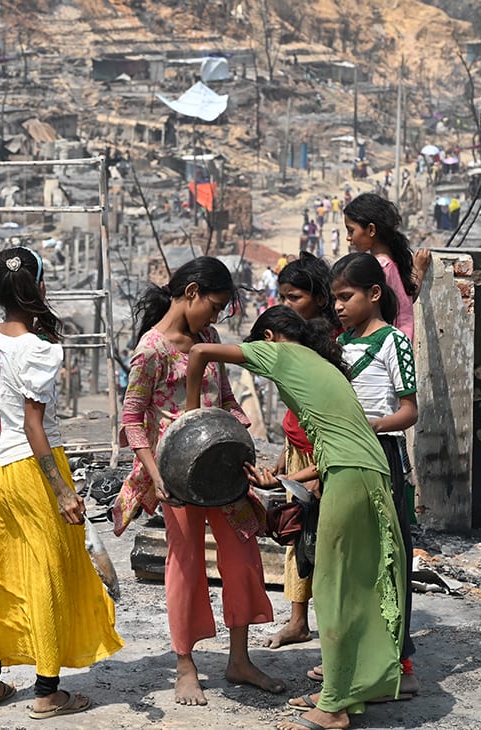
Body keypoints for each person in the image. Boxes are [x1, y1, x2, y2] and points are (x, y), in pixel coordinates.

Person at [184, 306, 406, 730]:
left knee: (332, 588)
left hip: (347, 473)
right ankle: (345, 692)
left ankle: (334, 708)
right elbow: (337, 443)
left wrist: (194, 421)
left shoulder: (280, 352)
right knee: (356, 585)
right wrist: (283, 478)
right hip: (365, 470)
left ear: (269, 335)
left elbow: (198, 353)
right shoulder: (323, 364)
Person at [113, 256, 284, 706]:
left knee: (243, 556)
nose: (217, 317)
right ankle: (185, 664)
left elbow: (225, 398)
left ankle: (239, 659)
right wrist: (156, 476)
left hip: (222, 469)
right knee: (185, 567)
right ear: (191, 293)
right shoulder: (151, 350)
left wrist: (243, 449)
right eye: (215, 305)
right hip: (176, 477)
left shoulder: (208, 340)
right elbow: (132, 419)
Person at [0, 246, 122, 719]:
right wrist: (62, 490)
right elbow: (35, 426)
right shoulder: (38, 350)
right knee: (49, 573)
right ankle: (47, 692)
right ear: (39, 287)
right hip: (34, 469)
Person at [331, 252, 420, 695]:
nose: (339, 306)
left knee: (392, 557)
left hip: (382, 454)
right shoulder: (339, 342)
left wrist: (373, 425)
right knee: (354, 561)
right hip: (345, 455)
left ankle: (400, 660)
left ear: (374, 294)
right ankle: (359, 655)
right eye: (335, 299)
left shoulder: (393, 343)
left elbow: (409, 411)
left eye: (346, 297)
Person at [258, 254, 339, 651]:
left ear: (318, 298)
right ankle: (297, 620)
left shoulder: (327, 342)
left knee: (320, 539)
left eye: (294, 297)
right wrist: (282, 453)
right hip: (296, 448)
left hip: (320, 453)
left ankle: (330, 625)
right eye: (283, 297)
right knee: (297, 533)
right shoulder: (298, 340)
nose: (287, 306)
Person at [341, 193, 429, 342]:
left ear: (371, 230)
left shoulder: (380, 268)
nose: (348, 237)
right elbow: (406, 299)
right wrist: (419, 270)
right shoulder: (391, 264)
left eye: (351, 230)